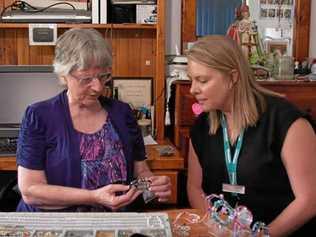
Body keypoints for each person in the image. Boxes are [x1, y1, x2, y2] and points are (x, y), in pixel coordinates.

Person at [16, 28, 171, 212]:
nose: (97, 87)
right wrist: (93, 197)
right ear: (64, 75)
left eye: (103, 76)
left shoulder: (123, 113)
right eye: (86, 78)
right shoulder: (39, 116)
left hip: (114, 224)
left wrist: (152, 186)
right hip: (56, 225)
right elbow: (30, 191)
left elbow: (141, 171)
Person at [186, 35, 316, 236]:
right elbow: (195, 188)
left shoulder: (286, 122)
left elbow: (309, 200)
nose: (193, 89)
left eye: (202, 80)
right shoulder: (202, 126)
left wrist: (262, 235)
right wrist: (215, 228)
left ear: (233, 77)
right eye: (191, 80)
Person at [226, 0, 264, 65]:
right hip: (243, 45)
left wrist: (253, 30)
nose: (245, 14)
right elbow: (235, 34)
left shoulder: (251, 23)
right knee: (243, 58)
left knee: (252, 57)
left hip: (251, 45)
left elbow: (255, 35)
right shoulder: (237, 25)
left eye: (246, 12)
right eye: (244, 12)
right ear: (241, 14)